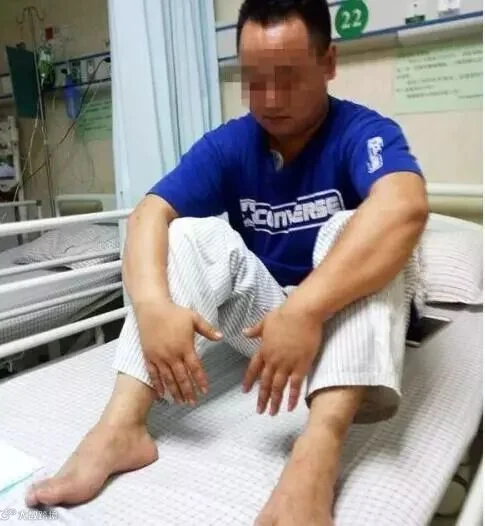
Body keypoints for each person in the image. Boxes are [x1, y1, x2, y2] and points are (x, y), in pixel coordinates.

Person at [25, 0, 429, 524]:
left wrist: (306, 309)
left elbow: (405, 207)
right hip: (271, 331)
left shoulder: (362, 132)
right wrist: (152, 306)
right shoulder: (233, 144)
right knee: (189, 232)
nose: (269, 99)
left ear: (328, 62)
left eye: (288, 77)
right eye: (253, 80)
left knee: (361, 225)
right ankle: (121, 427)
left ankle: (316, 452)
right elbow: (149, 214)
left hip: (342, 330)